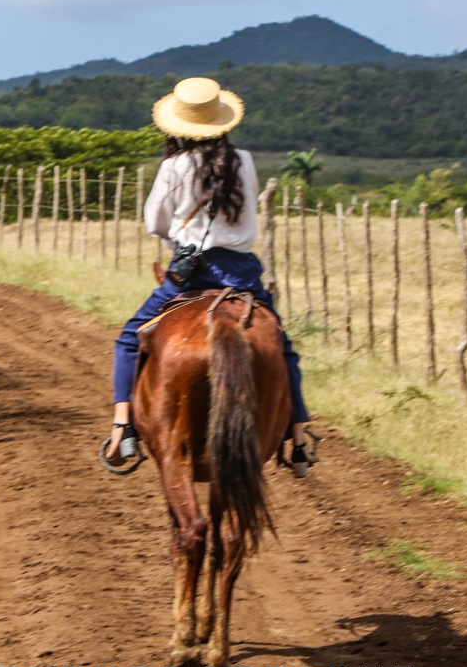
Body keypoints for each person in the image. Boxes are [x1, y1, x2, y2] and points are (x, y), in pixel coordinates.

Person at [105, 76, 317, 469]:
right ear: (222, 120)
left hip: (191, 272)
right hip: (243, 274)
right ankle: (300, 438)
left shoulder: (173, 166)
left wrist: (177, 245)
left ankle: (122, 428)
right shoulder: (245, 160)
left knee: (130, 339)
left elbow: (155, 222)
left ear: (178, 124)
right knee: (282, 347)